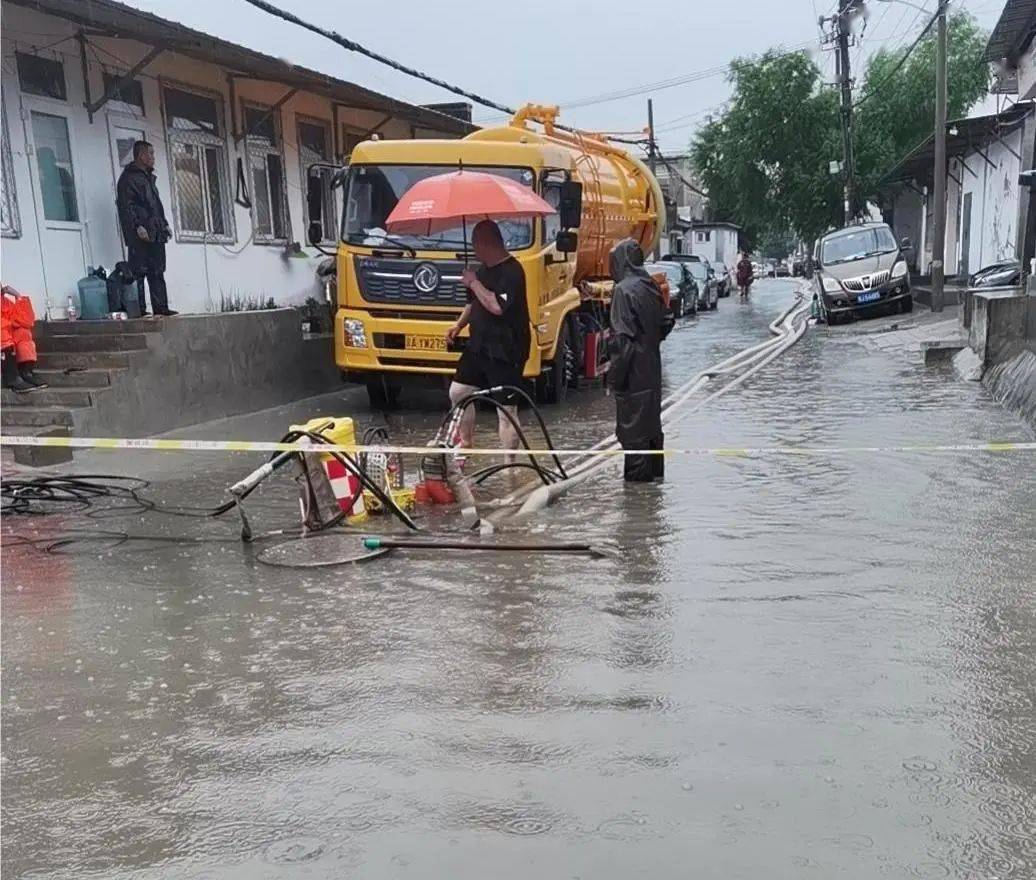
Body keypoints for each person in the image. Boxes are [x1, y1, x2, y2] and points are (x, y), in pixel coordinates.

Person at [445, 220, 530, 456]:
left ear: (486, 244)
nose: (473, 250)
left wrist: (473, 282)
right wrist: (459, 325)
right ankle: (466, 443)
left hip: (506, 349)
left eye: (475, 245)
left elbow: (495, 305)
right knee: (459, 392)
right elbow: (474, 303)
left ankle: (509, 464)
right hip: (479, 345)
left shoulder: (512, 271)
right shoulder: (482, 271)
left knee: (506, 410)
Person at [608, 238, 672, 483]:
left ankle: (638, 505)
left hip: (633, 376)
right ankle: (655, 492)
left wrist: (614, 379)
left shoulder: (623, 291)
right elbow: (667, 320)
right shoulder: (651, 285)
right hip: (652, 371)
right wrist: (651, 342)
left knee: (634, 436)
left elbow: (622, 343)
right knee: (652, 431)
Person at [116, 141, 177, 316]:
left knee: (157, 270)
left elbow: (155, 205)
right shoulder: (128, 178)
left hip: (155, 230)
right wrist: (137, 226)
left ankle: (161, 307)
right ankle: (140, 310)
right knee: (139, 271)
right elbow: (127, 207)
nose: (153, 158)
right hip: (140, 233)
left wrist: (164, 225)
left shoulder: (148, 177)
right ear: (141, 156)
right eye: (150, 154)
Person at [1, 285, 47, 393]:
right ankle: (12, 378)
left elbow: (27, 321)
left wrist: (18, 296)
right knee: (3, 334)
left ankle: (25, 372)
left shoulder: (5, 302)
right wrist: (8, 326)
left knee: (23, 333)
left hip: (8, 343)